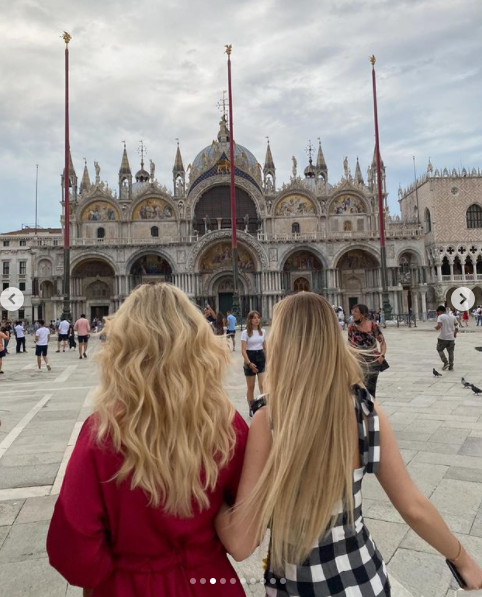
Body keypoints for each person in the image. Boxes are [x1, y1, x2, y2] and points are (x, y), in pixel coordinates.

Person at [214, 292, 482, 593]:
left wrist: (213, 504)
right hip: (363, 578)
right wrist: (462, 559)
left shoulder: (270, 420)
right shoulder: (367, 411)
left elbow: (241, 543)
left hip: (301, 585)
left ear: (280, 343)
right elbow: (413, 506)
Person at [46, 283, 249, 597]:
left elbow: (76, 553)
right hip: (210, 583)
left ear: (124, 346)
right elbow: (245, 515)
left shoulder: (101, 433)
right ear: (198, 342)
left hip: (128, 586)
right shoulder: (226, 423)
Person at [348, 304, 387, 398]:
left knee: (371, 390)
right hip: (359, 362)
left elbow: (382, 342)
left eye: (356, 311)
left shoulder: (373, 326)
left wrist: (382, 356)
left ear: (363, 314)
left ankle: (372, 409)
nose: (353, 313)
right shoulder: (352, 328)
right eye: (352, 311)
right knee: (358, 389)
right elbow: (350, 345)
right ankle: (361, 410)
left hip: (373, 362)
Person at [241, 311, 266, 417]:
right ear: (250, 320)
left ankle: (264, 407)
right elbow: (243, 350)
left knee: (262, 385)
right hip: (250, 357)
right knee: (251, 386)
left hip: (260, 357)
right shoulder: (245, 333)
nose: (257, 319)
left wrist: (267, 359)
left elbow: (265, 347)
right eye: (254, 318)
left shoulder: (263, 332)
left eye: (258, 317)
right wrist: (249, 363)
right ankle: (251, 408)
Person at [435, 305, 458, 371]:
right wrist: (455, 333)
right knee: (451, 352)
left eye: (438, 312)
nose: (438, 314)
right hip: (451, 337)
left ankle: (445, 362)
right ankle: (451, 366)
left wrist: (436, 328)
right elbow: (457, 325)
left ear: (440, 311)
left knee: (439, 349)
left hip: (443, 337)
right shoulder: (453, 317)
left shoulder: (440, 316)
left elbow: (439, 325)